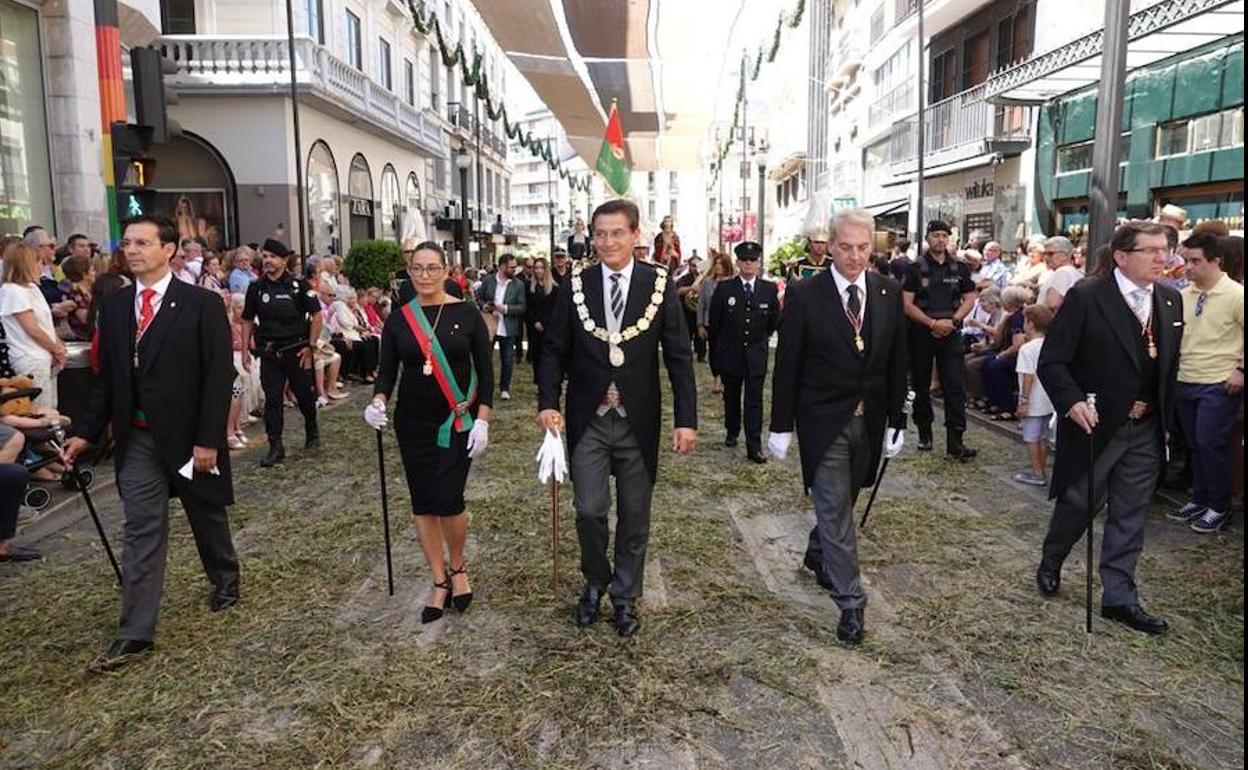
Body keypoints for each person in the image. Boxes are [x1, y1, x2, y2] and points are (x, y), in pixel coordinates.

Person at [61, 214, 239, 672]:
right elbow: (108, 379)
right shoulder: (117, 307)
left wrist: (208, 441)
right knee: (141, 528)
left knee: (205, 512)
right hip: (138, 439)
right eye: (128, 243)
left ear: (169, 250)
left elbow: (218, 376)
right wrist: (85, 432)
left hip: (189, 440)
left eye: (143, 242)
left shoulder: (200, 304)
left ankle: (225, 577)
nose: (133, 250)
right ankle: (136, 631)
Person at [537, 198, 697, 638]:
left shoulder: (658, 283)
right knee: (589, 510)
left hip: (637, 420)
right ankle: (595, 580)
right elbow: (553, 350)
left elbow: (679, 357)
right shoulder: (576, 284)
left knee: (635, 515)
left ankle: (625, 596)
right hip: (588, 417)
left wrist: (687, 419)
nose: (608, 241)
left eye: (617, 233)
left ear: (635, 235)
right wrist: (547, 402)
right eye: (600, 233)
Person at [1035, 220, 1183, 636]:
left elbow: (1167, 369)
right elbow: (1053, 361)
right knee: (1080, 503)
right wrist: (1073, 401)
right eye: (1151, 250)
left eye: (1165, 249)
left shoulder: (1171, 300)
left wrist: (1166, 421)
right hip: (1098, 425)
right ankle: (1052, 560)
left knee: (1131, 514)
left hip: (1147, 428)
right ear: (1121, 256)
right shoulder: (1088, 297)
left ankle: (1119, 597)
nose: (1162, 258)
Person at [768, 208, 908, 645]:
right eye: (845, 247)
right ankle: (851, 601)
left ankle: (816, 553)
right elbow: (788, 364)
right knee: (834, 511)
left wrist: (897, 421)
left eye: (863, 247)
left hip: (870, 422)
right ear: (829, 246)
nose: (854, 256)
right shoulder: (806, 295)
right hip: (823, 422)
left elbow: (897, 362)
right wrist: (780, 425)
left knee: (844, 502)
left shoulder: (887, 291)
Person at [365, 241, 493, 623]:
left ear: (445, 270)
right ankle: (438, 580)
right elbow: (387, 371)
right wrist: (377, 402)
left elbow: (485, 372)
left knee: (450, 498)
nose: (423, 275)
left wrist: (483, 419)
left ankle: (458, 567)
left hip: (457, 420)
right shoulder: (399, 319)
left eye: (431, 268)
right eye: (417, 269)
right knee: (423, 501)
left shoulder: (467, 314)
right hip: (413, 424)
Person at [1170, 232, 1243, 533]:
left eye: (1195, 261)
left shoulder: (1237, 295)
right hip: (1186, 378)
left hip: (1218, 381)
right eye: (1186, 260)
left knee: (1209, 443)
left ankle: (1219, 506)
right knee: (1195, 444)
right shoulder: (1183, 294)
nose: (1188, 267)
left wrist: (1241, 370)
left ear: (1216, 261)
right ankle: (1201, 499)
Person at [240, 238, 322, 467]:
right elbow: (246, 319)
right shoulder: (256, 287)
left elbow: (317, 316)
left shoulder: (298, 286)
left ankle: (311, 427)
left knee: (304, 395)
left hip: (297, 350)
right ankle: (275, 445)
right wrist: (246, 349)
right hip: (270, 352)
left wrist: (311, 346)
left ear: (284, 260)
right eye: (265, 256)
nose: (267, 261)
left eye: (272, 257)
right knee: (273, 400)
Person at [902, 220, 978, 459]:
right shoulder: (916, 268)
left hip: (951, 332)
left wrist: (953, 322)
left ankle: (956, 441)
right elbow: (906, 304)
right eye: (936, 235)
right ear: (927, 238)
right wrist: (932, 324)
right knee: (921, 385)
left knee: (954, 386)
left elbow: (969, 298)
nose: (940, 240)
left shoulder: (959, 268)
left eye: (945, 236)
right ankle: (925, 433)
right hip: (922, 332)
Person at [708, 241, 781, 463]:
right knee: (731, 398)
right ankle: (732, 429)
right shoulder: (725, 288)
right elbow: (715, 326)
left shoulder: (769, 289)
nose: (749, 264)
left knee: (754, 402)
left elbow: (773, 322)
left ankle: (754, 445)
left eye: (753, 260)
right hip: (731, 355)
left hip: (756, 356)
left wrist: (759, 341)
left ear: (759, 264)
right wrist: (715, 362)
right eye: (745, 260)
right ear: (738, 263)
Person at [1, 244, 67, 409]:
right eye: (38, 262)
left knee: (52, 406)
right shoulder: (12, 291)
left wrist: (57, 344)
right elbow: (32, 329)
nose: (42, 266)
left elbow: (45, 324)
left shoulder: (32, 288)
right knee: (39, 408)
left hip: (46, 355)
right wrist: (55, 348)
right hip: (30, 358)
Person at [1013, 304, 1056, 486]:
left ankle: (1037, 472)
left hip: (1034, 400)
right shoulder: (1051, 344)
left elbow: (1028, 376)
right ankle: (1041, 468)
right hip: (1049, 400)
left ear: (1030, 323)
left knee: (1031, 437)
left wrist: (1023, 401)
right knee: (1044, 437)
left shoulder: (1027, 349)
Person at [475, 254, 526, 401]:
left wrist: (506, 308)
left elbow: (522, 307)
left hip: (508, 327)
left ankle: (504, 388)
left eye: (515, 267)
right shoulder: (488, 281)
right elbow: (478, 298)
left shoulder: (518, 285)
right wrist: (484, 306)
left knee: (507, 360)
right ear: (502, 267)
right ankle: (484, 388)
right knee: (485, 358)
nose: (514, 269)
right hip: (490, 325)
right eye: (511, 267)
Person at [697, 249, 734, 394]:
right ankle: (716, 378)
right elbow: (701, 305)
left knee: (727, 353)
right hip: (710, 323)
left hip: (728, 324)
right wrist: (700, 325)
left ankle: (723, 379)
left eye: (721, 264)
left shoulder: (733, 283)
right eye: (716, 264)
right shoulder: (707, 283)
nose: (718, 266)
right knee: (713, 352)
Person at [526, 257, 558, 381]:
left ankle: (547, 379)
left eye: (541, 268)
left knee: (548, 355)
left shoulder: (554, 288)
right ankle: (538, 380)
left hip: (548, 327)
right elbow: (528, 307)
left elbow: (555, 309)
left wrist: (544, 322)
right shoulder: (529, 286)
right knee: (536, 354)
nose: (538, 271)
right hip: (534, 326)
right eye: (536, 268)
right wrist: (535, 322)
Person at [1038, 236, 1082, 311]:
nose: (1046, 258)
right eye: (1044, 254)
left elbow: (1053, 303)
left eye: (1050, 254)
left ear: (1064, 255)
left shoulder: (1063, 272)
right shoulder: (1074, 272)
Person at [675, 255, 705, 363]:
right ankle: (688, 356)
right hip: (687, 311)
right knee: (687, 335)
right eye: (693, 266)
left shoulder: (706, 278)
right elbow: (678, 291)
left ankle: (701, 356)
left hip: (700, 310)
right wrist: (691, 288)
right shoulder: (685, 278)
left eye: (698, 265)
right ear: (689, 266)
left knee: (701, 335)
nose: (696, 268)